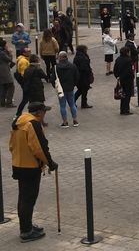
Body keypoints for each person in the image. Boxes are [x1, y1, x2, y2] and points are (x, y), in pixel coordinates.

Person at [9, 101, 57, 243]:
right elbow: (40, 148)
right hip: (30, 167)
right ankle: (26, 231)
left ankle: (27, 225)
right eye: (44, 112)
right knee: (28, 199)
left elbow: (11, 145)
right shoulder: (33, 124)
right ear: (39, 113)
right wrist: (50, 163)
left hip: (18, 164)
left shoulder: (18, 122)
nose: (44, 115)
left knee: (23, 197)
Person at [55, 51, 79, 127]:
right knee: (72, 104)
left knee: (62, 106)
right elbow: (77, 77)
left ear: (60, 58)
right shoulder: (72, 66)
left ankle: (65, 122)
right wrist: (73, 84)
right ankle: (75, 120)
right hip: (70, 88)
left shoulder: (56, 67)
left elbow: (53, 79)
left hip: (61, 89)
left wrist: (56, 87)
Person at [113, 47, 134, 115]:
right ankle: (126, 110)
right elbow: (129, 71)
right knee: (127, 95)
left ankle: (122, 109)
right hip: (128, 80)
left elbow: (115, 70)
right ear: (127, 52)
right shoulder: (128, 60)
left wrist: (118, 77)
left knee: (122, 94)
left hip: (121, 80)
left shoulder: (118, 59)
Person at [15, 48, 31, 117]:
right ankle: (18, 113)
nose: (30, 52)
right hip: (26, 82)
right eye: (28, 51)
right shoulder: (23, 61)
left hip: (25, 82)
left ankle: (30, 111)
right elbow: (24, 73)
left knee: (27, 98)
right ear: (24, 53)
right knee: (25, 99)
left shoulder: (22, 59)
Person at [0, 39, 15, 107]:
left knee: (3, 87)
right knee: (11, 86)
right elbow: (9, 59)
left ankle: (2, 102)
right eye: (6, 44)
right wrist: (10, 53)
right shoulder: (2, 53)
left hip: (2, 71)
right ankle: (9, 103)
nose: (7, 45)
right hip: (4, 71)